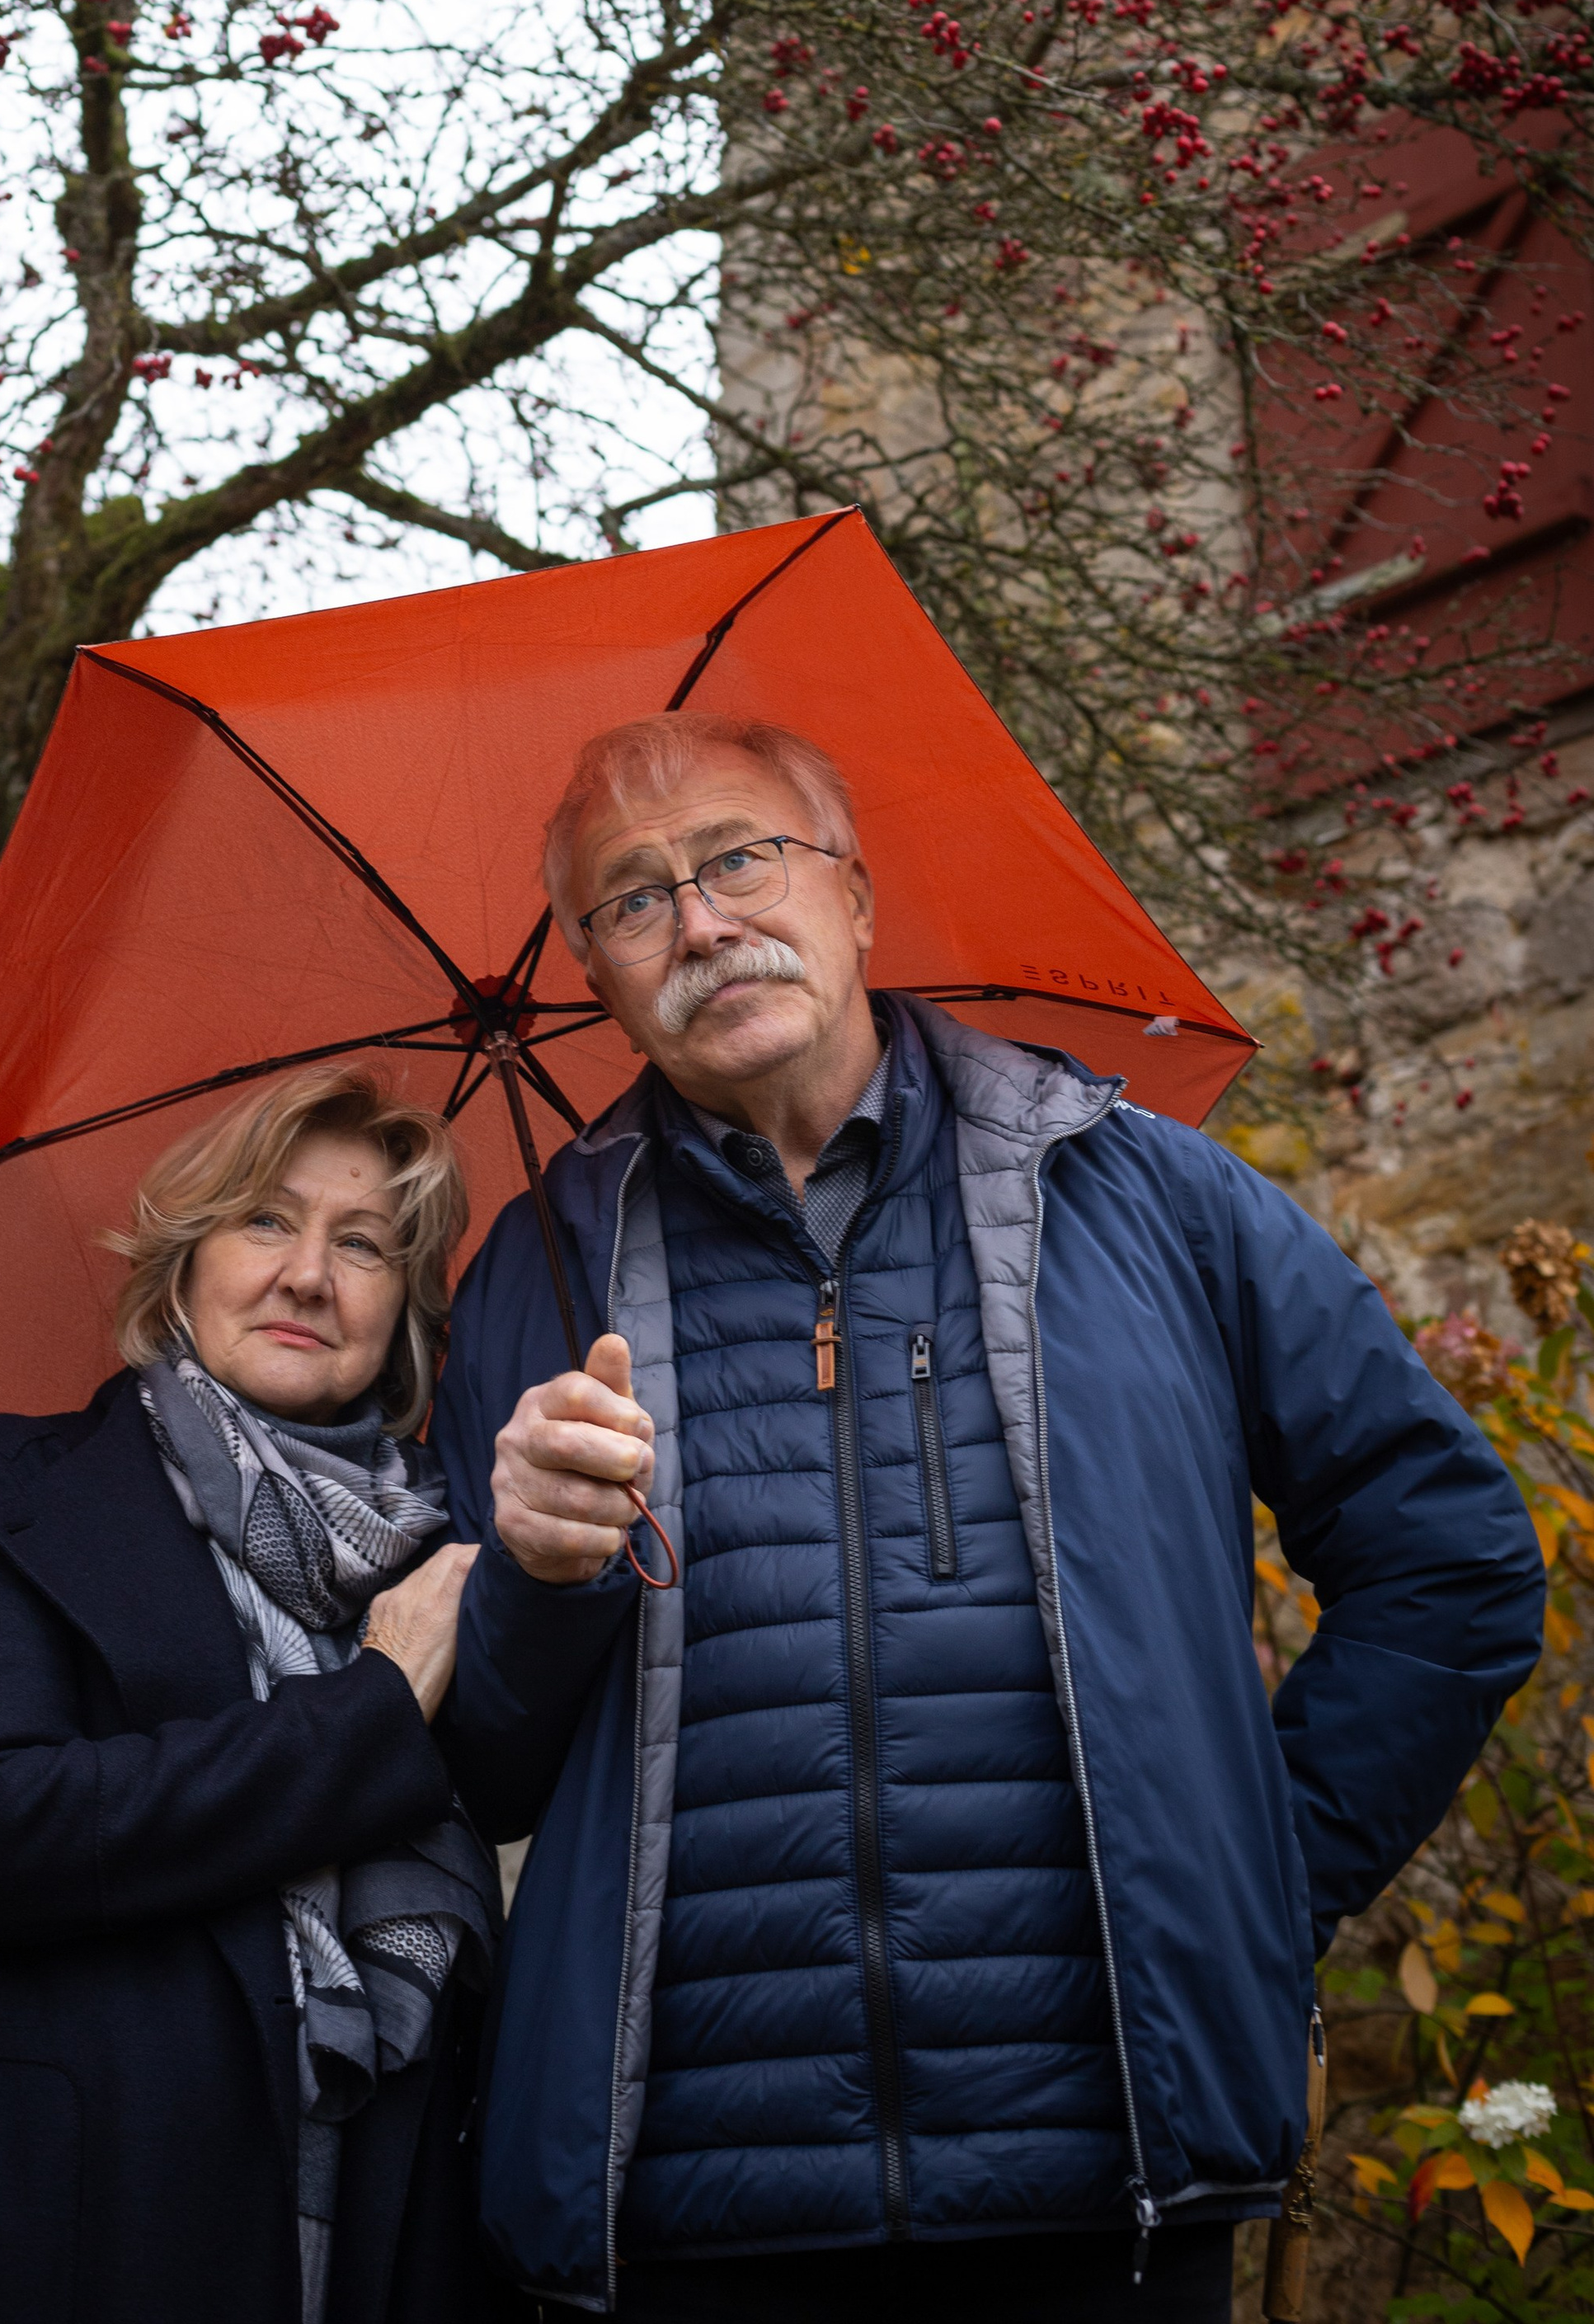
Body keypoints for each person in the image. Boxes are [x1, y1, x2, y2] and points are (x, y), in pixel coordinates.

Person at [432, 714, 1547, 2322]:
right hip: (693, 2195)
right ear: (597, 975)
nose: (702, 923)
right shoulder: (534, 1285)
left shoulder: (1144, 1193)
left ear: (855, 895)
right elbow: (477, 1763)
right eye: (633, 898)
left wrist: (1249, 1884)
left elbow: (1446, 1559)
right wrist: (536, 1585)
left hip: (1107, 2178)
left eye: (740, 857)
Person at [0, 1066, 500, 2324]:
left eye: (364, 1245)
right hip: (51, 2232)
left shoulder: (452, 1562)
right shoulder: (7, 1490)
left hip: (368, 2243)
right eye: (266, 1220)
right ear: (184, 1261)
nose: (309, 1276)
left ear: (405, 1312)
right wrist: (371, 1711)